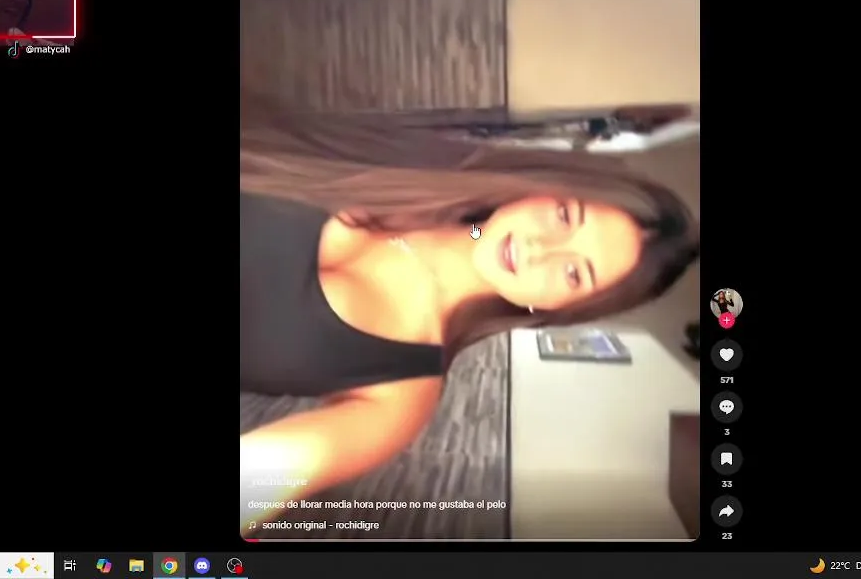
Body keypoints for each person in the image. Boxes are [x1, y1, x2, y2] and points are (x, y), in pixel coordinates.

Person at [239, 110, 700, 536]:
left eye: (574, 273)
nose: (540, 249)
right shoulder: (399, 162)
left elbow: (256, 479)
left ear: (561, 309)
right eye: (564, 216)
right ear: (547, 187)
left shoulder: (402, 394)